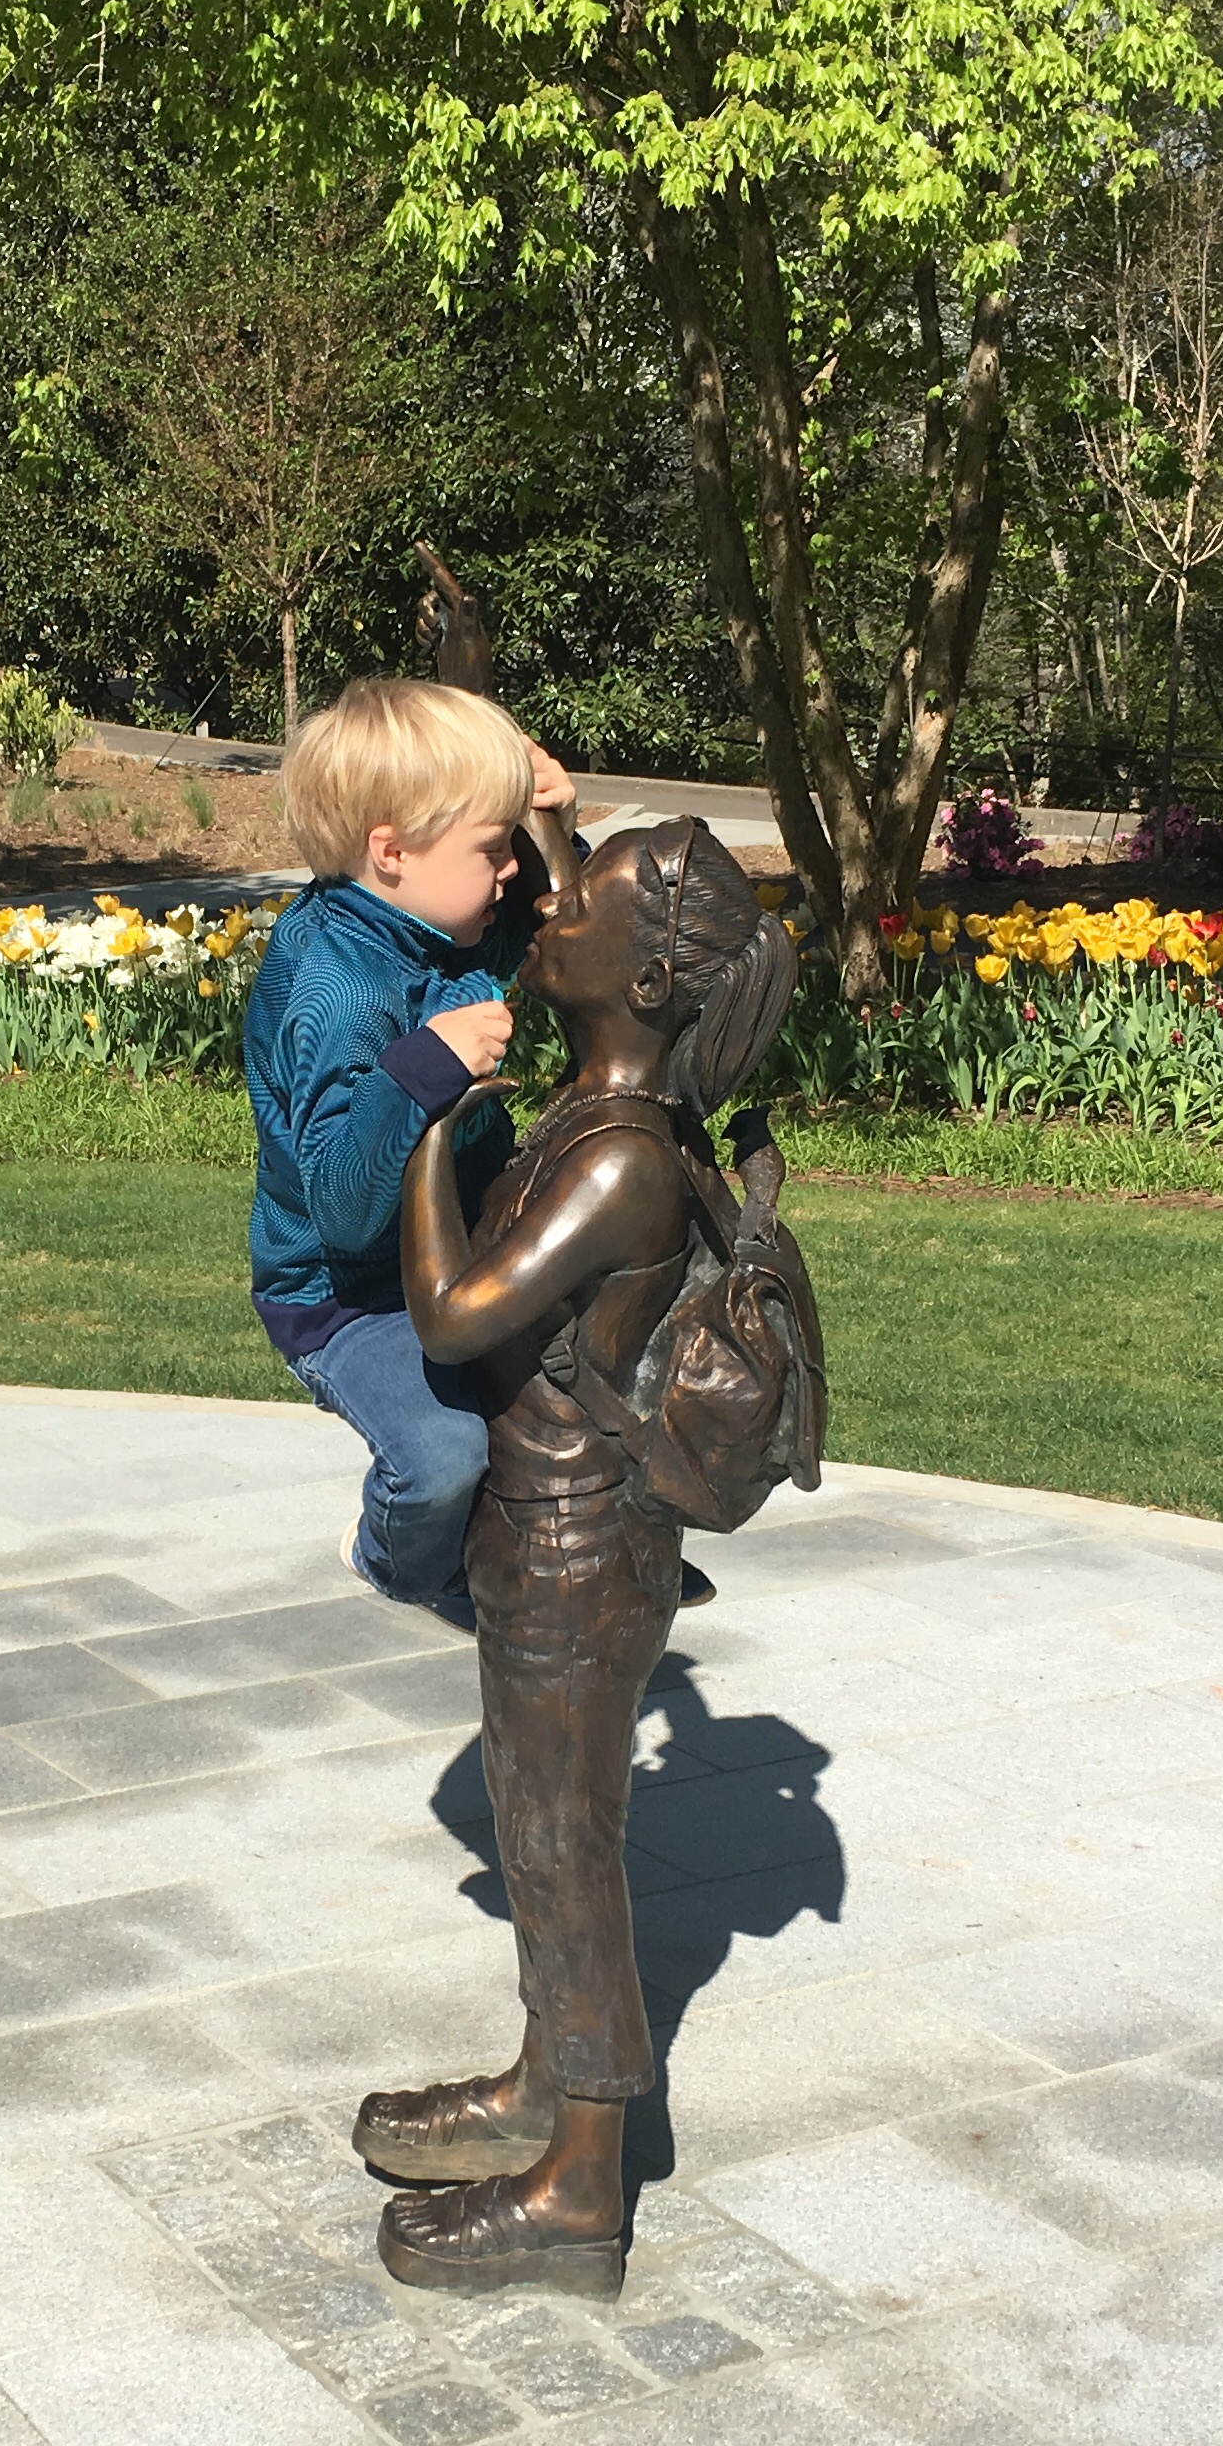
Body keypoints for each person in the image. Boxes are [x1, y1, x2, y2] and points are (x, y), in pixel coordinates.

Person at [363, 820, 802, 2294]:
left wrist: (430, 1118)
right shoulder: (609, 1115)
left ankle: (579, 2191)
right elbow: (564, 868)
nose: (551, 904)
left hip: (577, 1552)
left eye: (586, 902)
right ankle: (547, 2089)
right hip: (546, 1546)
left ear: (656, 976)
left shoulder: (620, 1165)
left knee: (561, 1852)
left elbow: (450, 1317)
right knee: (540, 1834)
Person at [242, 679, 573, 1627]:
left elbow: (560, 925)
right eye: (490, 846)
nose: (509, 869)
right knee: (442, 1455)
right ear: (391, 852)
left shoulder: (446, 918)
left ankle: (598, 1551)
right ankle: (400, 1562)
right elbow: (344, 1205)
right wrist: (426, 1066)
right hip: (351, 1294)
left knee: (600, 1355)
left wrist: (554, 829)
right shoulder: (333, 988)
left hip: (463, 1253)